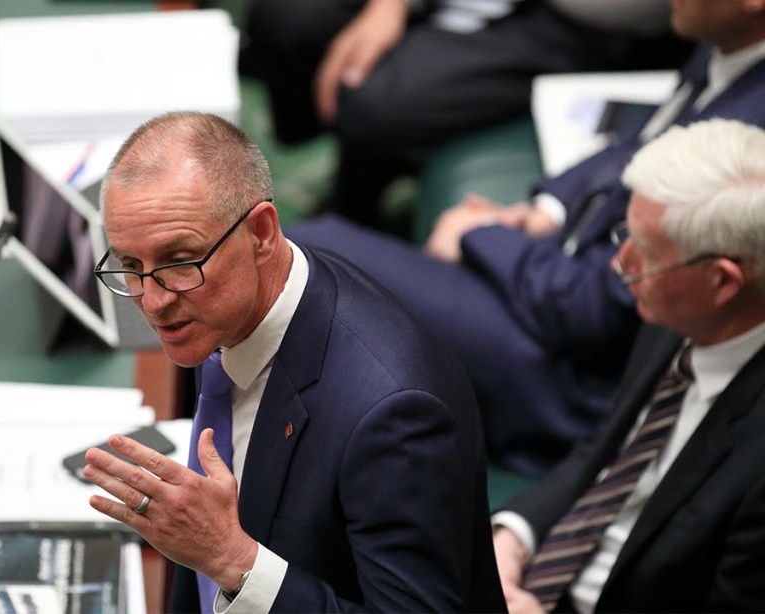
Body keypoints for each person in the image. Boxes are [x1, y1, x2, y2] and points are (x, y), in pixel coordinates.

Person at [286, 0, 765, 476]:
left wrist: (484, 236)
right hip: (564, 273)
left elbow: (601, 307)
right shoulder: (728, 44)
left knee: (307, 255)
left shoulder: (750, 129)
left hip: (573, 371)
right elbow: (638, 142)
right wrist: (545, 211)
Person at [79, 111, 505, 612]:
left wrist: (231, 558)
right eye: (130, 265)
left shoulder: (395, 415)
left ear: (261, 232)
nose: (151, 301)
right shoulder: (220, 305)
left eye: (178, 259)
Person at [491, 118, 765, 613]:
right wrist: (513, 536)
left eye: (645, 253)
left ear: (723, 282)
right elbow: (609, 448)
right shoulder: (676, 306)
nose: (620, 264)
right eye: (626, 235)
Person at [242, 0, 691, 227]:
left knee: (374, 103)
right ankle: (319, 142)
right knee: (286, 17)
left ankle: (356, 213)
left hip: (583, 18)